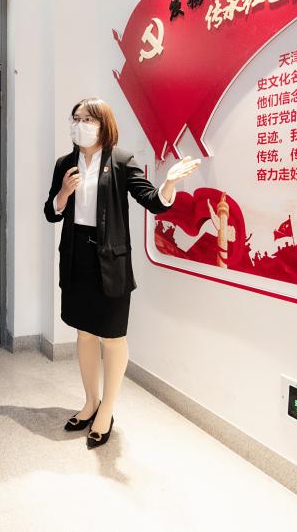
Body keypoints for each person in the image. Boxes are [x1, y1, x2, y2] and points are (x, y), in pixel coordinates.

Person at [44, 97, 200, 449]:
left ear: (104, 125)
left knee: (112, 337)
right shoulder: (64, 164)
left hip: (109, 260)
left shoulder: (120, 160)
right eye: (75, 118)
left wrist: (168, 183)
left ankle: (106, 411)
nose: (80, 124)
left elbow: (152, 201)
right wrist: (63, 193)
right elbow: (51, 212)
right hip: (76, 257)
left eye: (88, 119)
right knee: (84, 333)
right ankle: (90, 402)